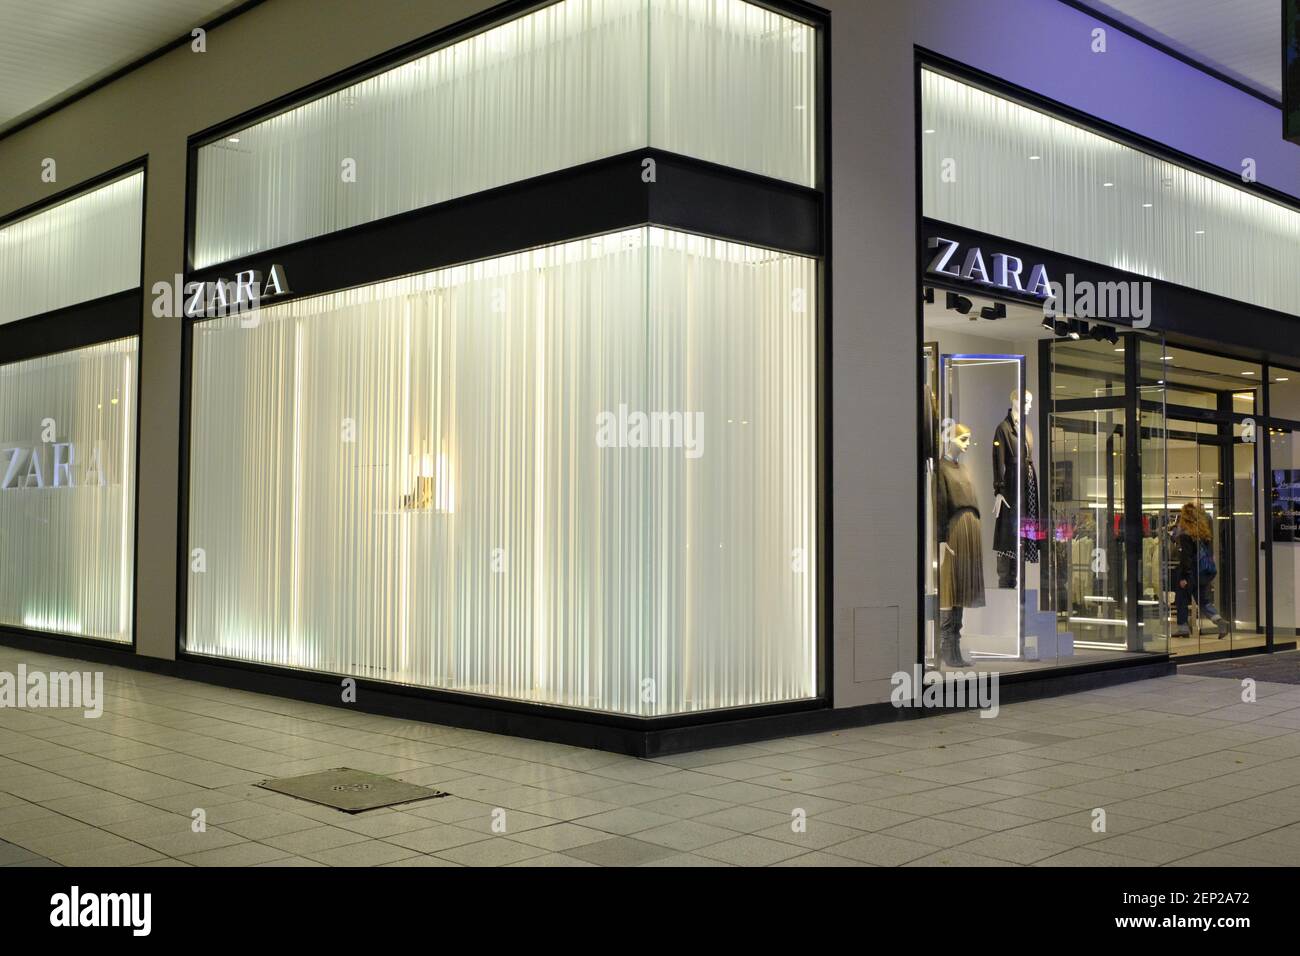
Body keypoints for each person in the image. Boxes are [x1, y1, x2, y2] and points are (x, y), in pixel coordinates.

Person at [1171, 502, 1227, 638]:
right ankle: (1219, 621)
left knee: (1182, 600)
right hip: (1203, 572)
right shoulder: (1203, 533)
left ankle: (1183, 628)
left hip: (1190, 573)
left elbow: (1186, 557)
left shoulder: (1185, 534)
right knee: (1204, 601)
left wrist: (1184, 576)